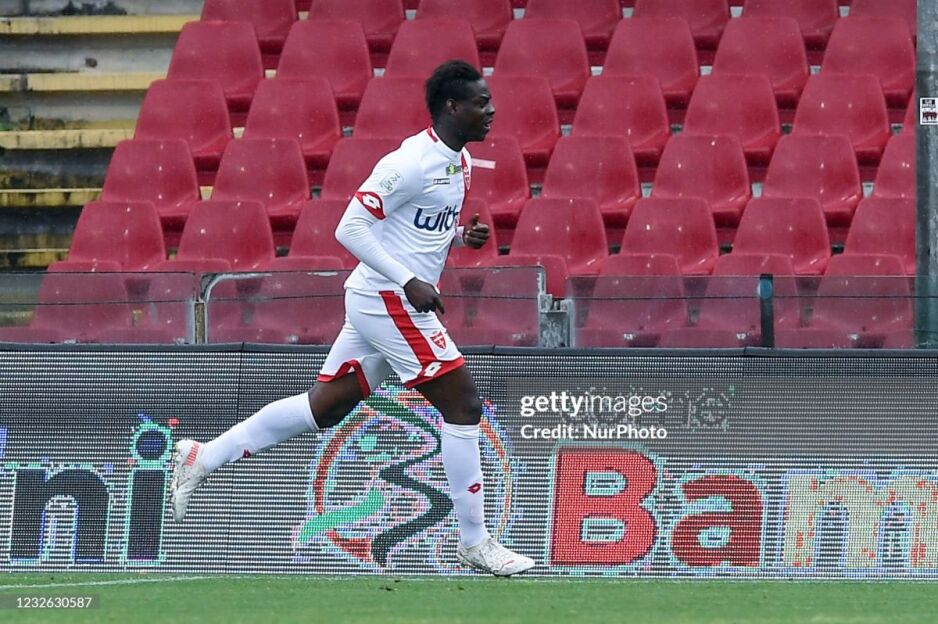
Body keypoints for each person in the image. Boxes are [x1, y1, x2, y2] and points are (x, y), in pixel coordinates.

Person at [170, 60, 534, 577]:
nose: (491, 110)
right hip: (389, 299)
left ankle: (202, 457)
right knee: (463, 404)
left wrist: (458, 237)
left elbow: (414, 228)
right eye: (482, 102)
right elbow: (350, 227)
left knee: (324, 407)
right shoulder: (408, 163)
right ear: (453, 107)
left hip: (379, 299)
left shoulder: (463, 162)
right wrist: (409, 280)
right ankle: (474, 541)